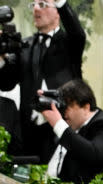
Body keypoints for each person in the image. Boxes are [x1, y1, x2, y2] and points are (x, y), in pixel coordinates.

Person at [0, 0, 85, 162]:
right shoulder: (25, 45)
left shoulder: (70, 43)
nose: (36, 9)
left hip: (62, 124)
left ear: (57, 12)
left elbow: (78, 33)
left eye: (43, 4)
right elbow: (6, 82)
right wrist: (2, 58)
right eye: (34, 5)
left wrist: (61, 2)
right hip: (28, 128)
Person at [42, 78, 103, 184]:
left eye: (68, 106)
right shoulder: (70, 127)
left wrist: (59, 125)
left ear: (86, 107)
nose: (64, 113)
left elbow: (94, 155)